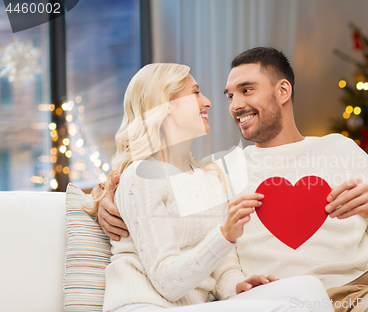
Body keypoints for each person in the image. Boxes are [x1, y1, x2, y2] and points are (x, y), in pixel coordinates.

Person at [97, 49, 368, 312]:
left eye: (246, 90)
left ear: (282, 90)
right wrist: (103, 203)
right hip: (276, 302)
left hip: (358, 294)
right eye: (230, 95)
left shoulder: (339, 150)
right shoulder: (219, 170)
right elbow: (151, 199)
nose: (234, 105)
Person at [88, 63, 334, 312]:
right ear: (165, 106)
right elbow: (168, 282)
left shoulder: (210, 176)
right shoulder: (142, 177)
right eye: (195, 93)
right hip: (145, 305)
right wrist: (224, 235)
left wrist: (239, 286)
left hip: (192, 308)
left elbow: (224, 268)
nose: (207, 102)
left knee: (307, 288)